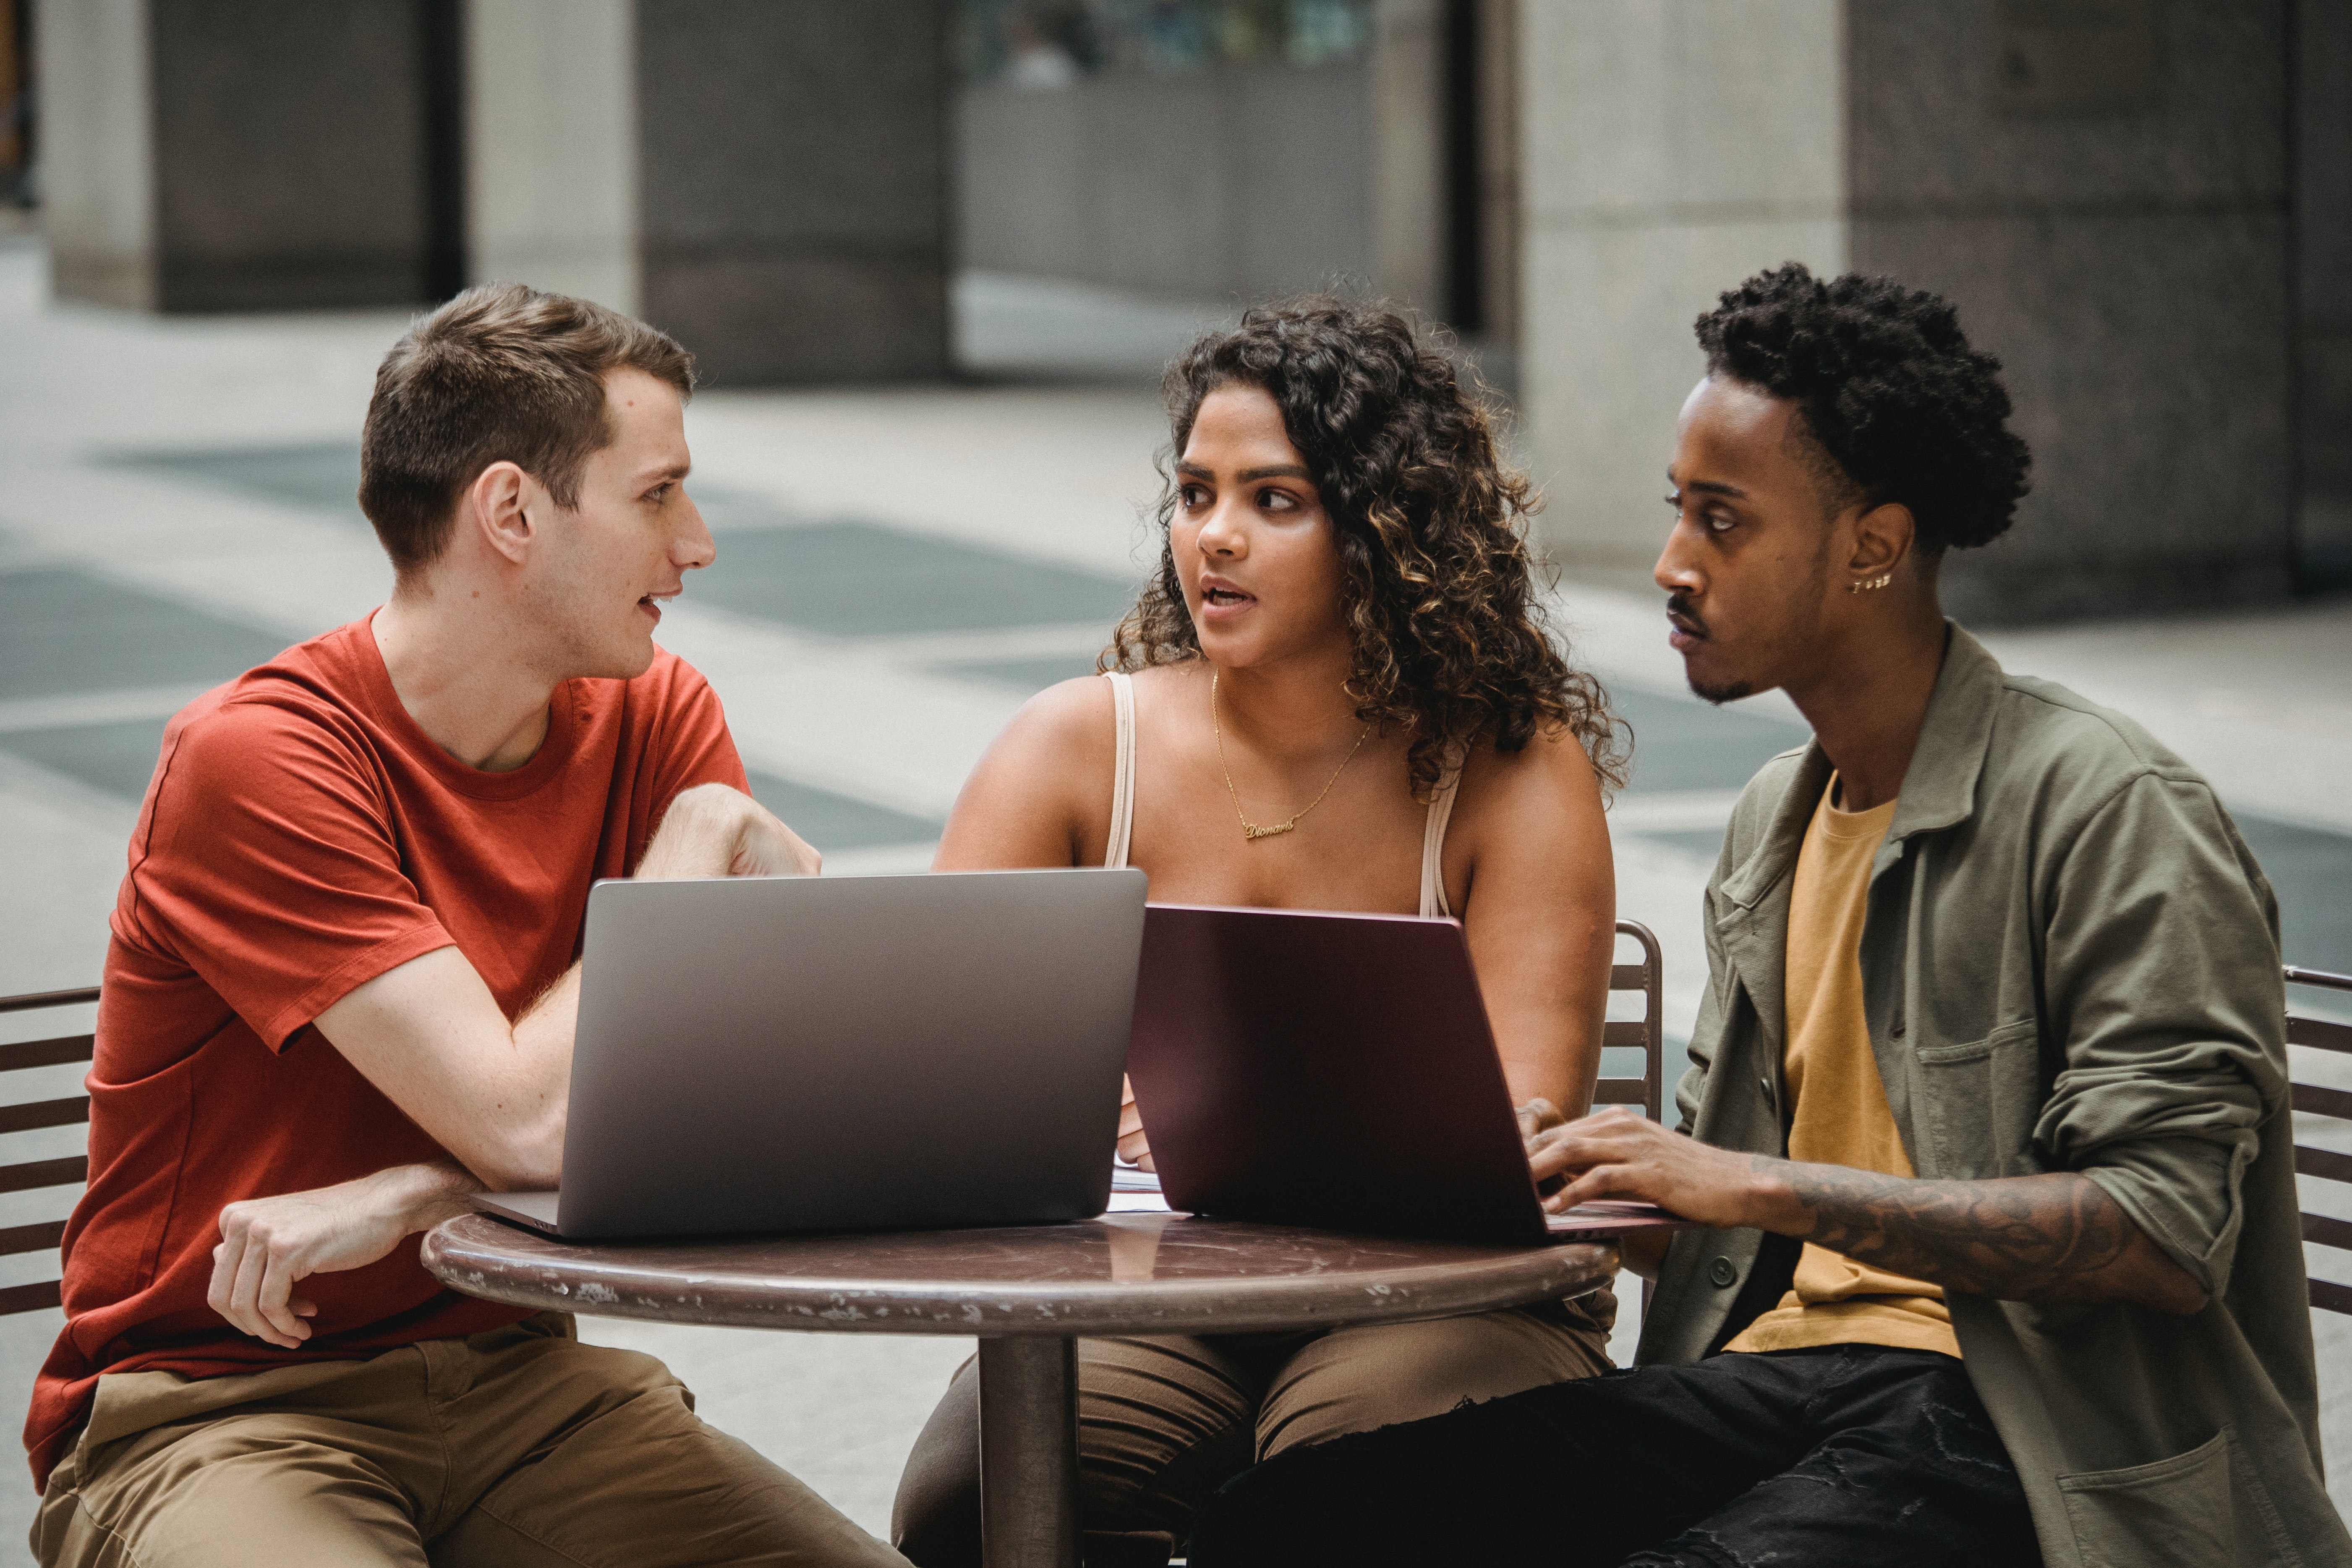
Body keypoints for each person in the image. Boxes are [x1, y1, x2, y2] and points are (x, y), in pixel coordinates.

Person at [1184, 264, 2352, 1568]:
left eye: (1723, 523)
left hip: (2036, 1420)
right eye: (1676, 514)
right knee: (1286, 1528)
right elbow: (1725, 1196)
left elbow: (2157, 1232)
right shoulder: (1775, 823)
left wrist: (1745, 1186)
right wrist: (1567, 1178)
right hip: (1793, 1380)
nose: (1671, 565)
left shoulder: (2104, 805)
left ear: (1872, 547)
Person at [26, 283, 908, 1568]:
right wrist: (690, 851)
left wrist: (416, 1196)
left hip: (527, 1390)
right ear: (510, 512)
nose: (700, 543)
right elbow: (534, 1125)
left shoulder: (658, 719)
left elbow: (722, 1121)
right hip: (219, 1410)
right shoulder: (260, 762)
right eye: (658, 495)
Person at [889, 298, 1627, 1567]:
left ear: (1388, 532)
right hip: (1153, 1285)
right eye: (1193, 493)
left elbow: (1519, 1122)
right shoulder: (1077, 747)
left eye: (1274, 501)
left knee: (1339, 1487)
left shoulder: (1509, 768)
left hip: (1438, 1286)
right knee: (972, 1499)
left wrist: (1200, 1113)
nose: (1213, 538)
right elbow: (935, 1064)